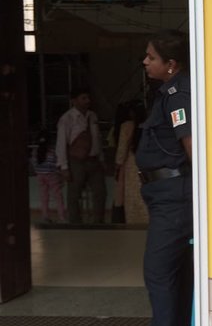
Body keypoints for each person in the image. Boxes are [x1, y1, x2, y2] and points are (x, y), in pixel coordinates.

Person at [119, 32, 193, 326]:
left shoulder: (179, 94)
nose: (145, 62)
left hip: (175, 198)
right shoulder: (169, 93)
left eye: (151, 57)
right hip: (166, 195)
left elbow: (191, 147)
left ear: (171, 64)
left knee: (160, 274)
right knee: (175, 277)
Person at [56, 87, 106, 224]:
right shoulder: (67, 119)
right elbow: (61, 143)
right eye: (83, 98)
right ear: (74, 100)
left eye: (88, 98)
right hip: (76, 161)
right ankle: (75, 223)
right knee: (74, 193)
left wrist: (101, 158)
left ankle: (98, 222)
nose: (87, 101)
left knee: (100, 191)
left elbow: (97, 139)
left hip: (94, 159)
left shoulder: (92, 116)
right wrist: (64, 166)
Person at [113, 99, 147, 224]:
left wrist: (118, 165)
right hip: (145, 163)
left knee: (131, 196)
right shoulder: (148, 124)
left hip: (130, 165)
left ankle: (133, 222)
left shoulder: (126, 126)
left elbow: (122, 151)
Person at [32, 128, 66, 223]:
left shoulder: (35, 151)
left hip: (40, 176)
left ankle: (45, 216)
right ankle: (62, 217)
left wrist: (38, 172)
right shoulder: (52, 151)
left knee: (44, 197)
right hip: (52, 175)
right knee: (58, 197)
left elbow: (34, 163)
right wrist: (59, 175)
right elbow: (55, 164)